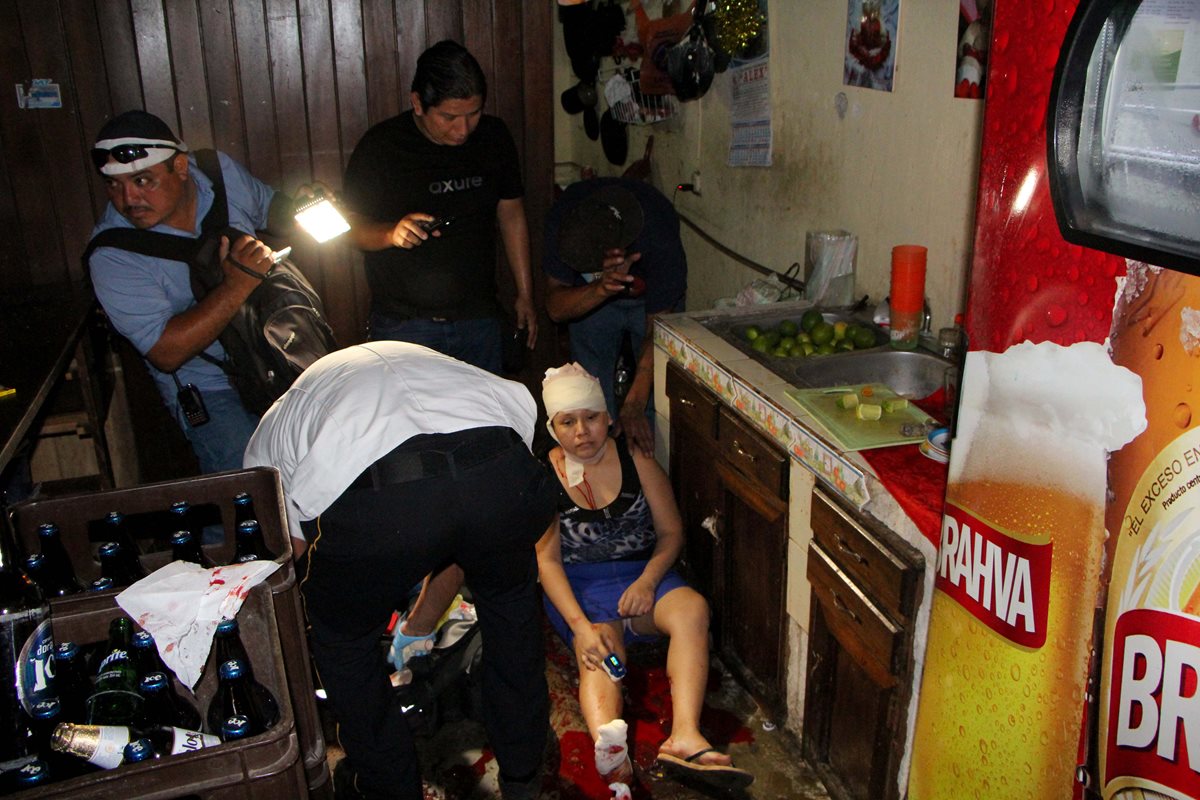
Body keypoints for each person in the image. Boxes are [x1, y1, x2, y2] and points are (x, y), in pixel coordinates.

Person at [243, 341, 558, 800]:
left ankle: (389, 786)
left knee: (343, 641)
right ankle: (523, 774)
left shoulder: (280, 418)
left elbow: (284, 551)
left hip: (385, 503)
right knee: (510, 606)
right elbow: (497, 458)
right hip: (498, 471)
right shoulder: (429, 358)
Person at [534, 363, 753, 792]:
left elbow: (672, 533)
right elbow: (548, 563)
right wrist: (579, 628)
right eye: (568, 421)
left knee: (692, 609)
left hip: (642, 575)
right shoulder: (544, 478)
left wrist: (650, 581)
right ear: (553, 428)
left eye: (592, 417)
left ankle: (685, 736)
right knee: (600, 647)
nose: (583, 431)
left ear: (609, 418)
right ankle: (609, 749)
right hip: (582, 589)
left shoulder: (637, 459)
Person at [87, 109, 311, 473]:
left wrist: (302, 205)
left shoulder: (216, 173)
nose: (128, 199)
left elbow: (270, 208)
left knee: (312, 471)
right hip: (210, 389)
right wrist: (237, 285)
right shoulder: (113, 254)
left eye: (143, 181)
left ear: (180, 167)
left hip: (274, 355)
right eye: (114, 185)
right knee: (251, 492)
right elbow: (166, 351)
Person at [342, 39, 538, 374]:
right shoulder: (382, 146)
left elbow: (511, 213)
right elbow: (349, 227)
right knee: (411, 426)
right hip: (405, 325)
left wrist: (525, 292)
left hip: (479, 316)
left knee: (484, 422)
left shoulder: (493, 137)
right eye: (449, 117)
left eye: (473, 114)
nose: (463, 130)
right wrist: (391, 233)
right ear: (417, 103)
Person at [542, 177, 687, 457]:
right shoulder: (563, 222)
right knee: (590, 398)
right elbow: (556, 308)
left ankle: (646, 476)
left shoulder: (658, 232)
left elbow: (658, 329)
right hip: (590, 300)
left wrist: (633, 404)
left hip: (653, 305)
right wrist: (599, 288)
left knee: (653, 404)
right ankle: (599, 474)